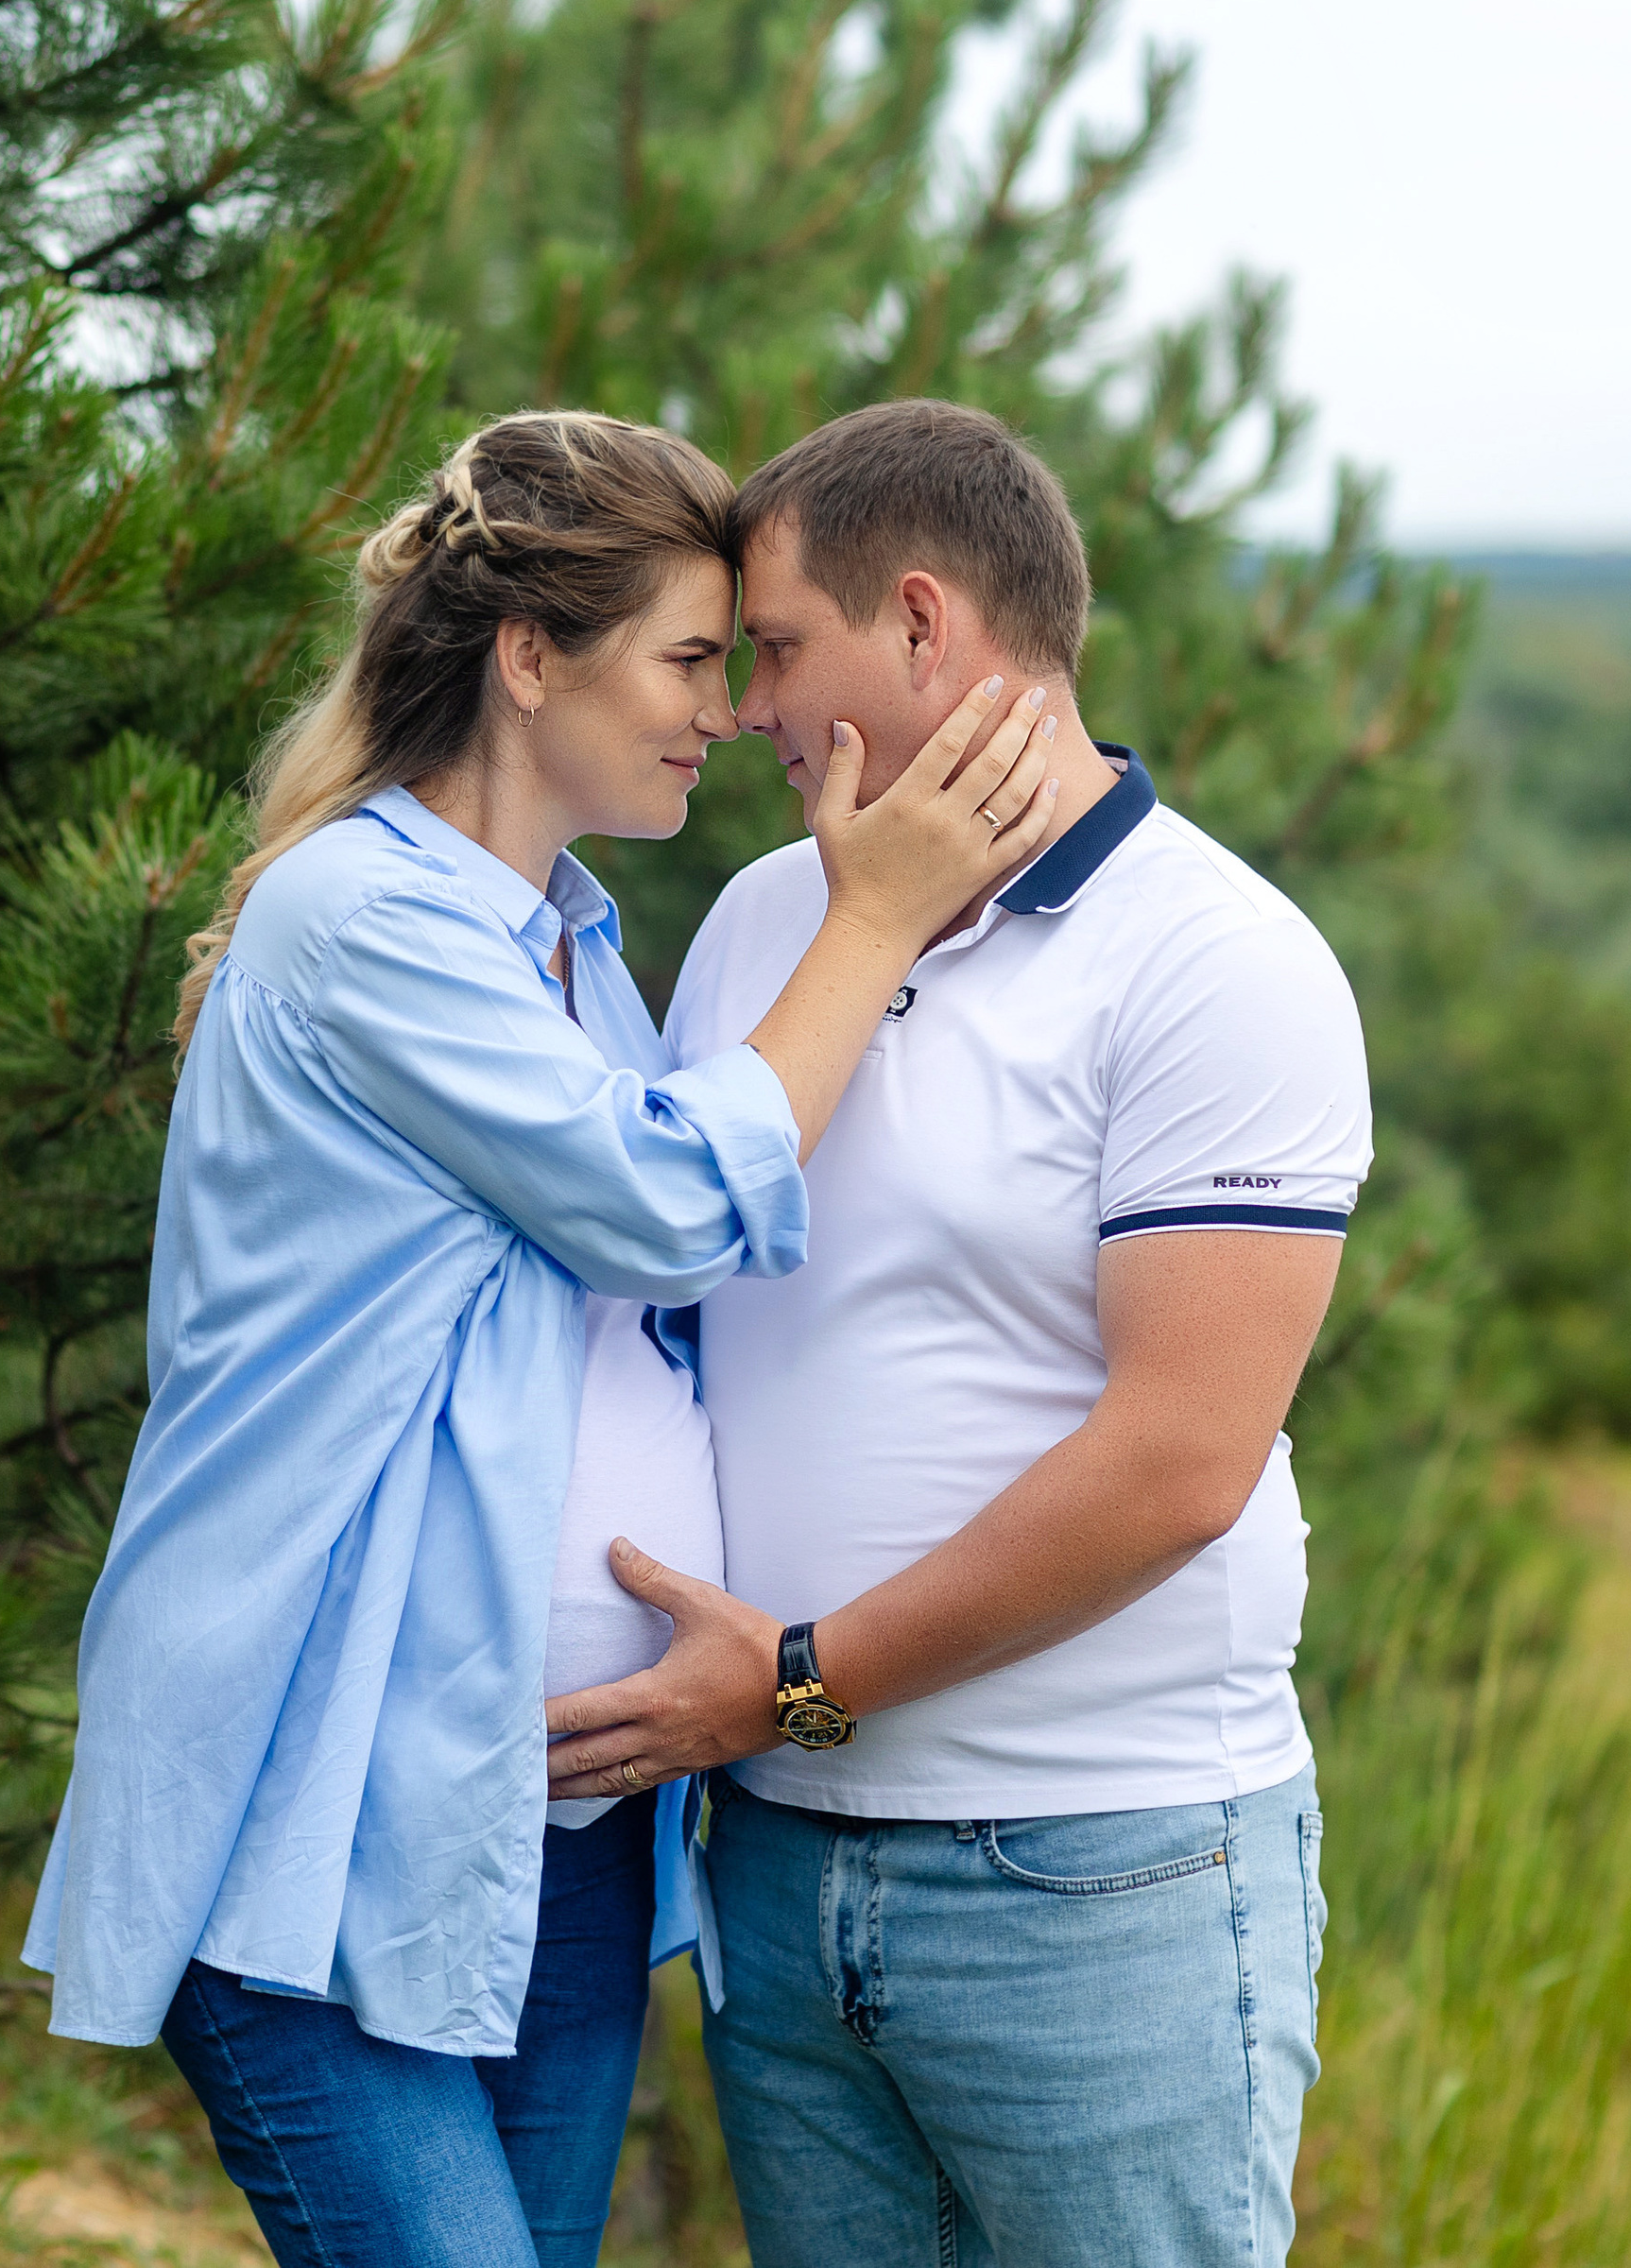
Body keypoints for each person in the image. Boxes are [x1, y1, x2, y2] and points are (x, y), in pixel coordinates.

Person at [22, 410, 1060, 2268]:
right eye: (684, 657)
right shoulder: (360, 915)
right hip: (315, 1801)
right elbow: (660, 1198)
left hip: (552, 1821)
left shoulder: (565, 938)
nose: (727, 709)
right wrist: (877, 914)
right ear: (526, 656)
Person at [546, 399, 1370, 2268]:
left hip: (1091, 1871)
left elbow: (1176, 1463)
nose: (745, 703)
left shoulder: (1214, 961)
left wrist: (800, 1673)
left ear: (919, 623)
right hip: (769, 1856)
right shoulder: (769, 919)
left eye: (772, 649)